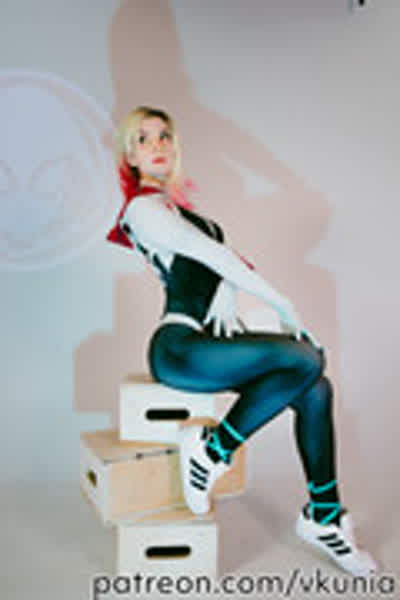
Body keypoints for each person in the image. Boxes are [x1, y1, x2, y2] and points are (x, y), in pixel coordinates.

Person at [107, 105, 377, 577]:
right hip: (180, 348)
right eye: (143, 139)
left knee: (316, 388)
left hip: (211, 343)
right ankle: (214, 451)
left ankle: (324, 514)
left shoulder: (186, 214)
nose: (158, 146)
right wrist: (283, 305)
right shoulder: (141, 210)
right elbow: (212, 255)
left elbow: (219, 259)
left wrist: (228, 293)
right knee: (306, 358)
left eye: (164, 136)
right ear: (130, 156)